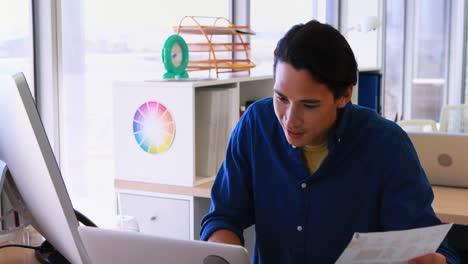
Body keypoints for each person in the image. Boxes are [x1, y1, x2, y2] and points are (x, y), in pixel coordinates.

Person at [200, 20, 459, 264]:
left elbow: (424, 243)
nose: (290, 119)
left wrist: (432, 259)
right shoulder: (256, 125)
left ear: (344, 95)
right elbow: (223, 217)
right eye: (281, 98)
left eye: (308, 105)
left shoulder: (386, 145)